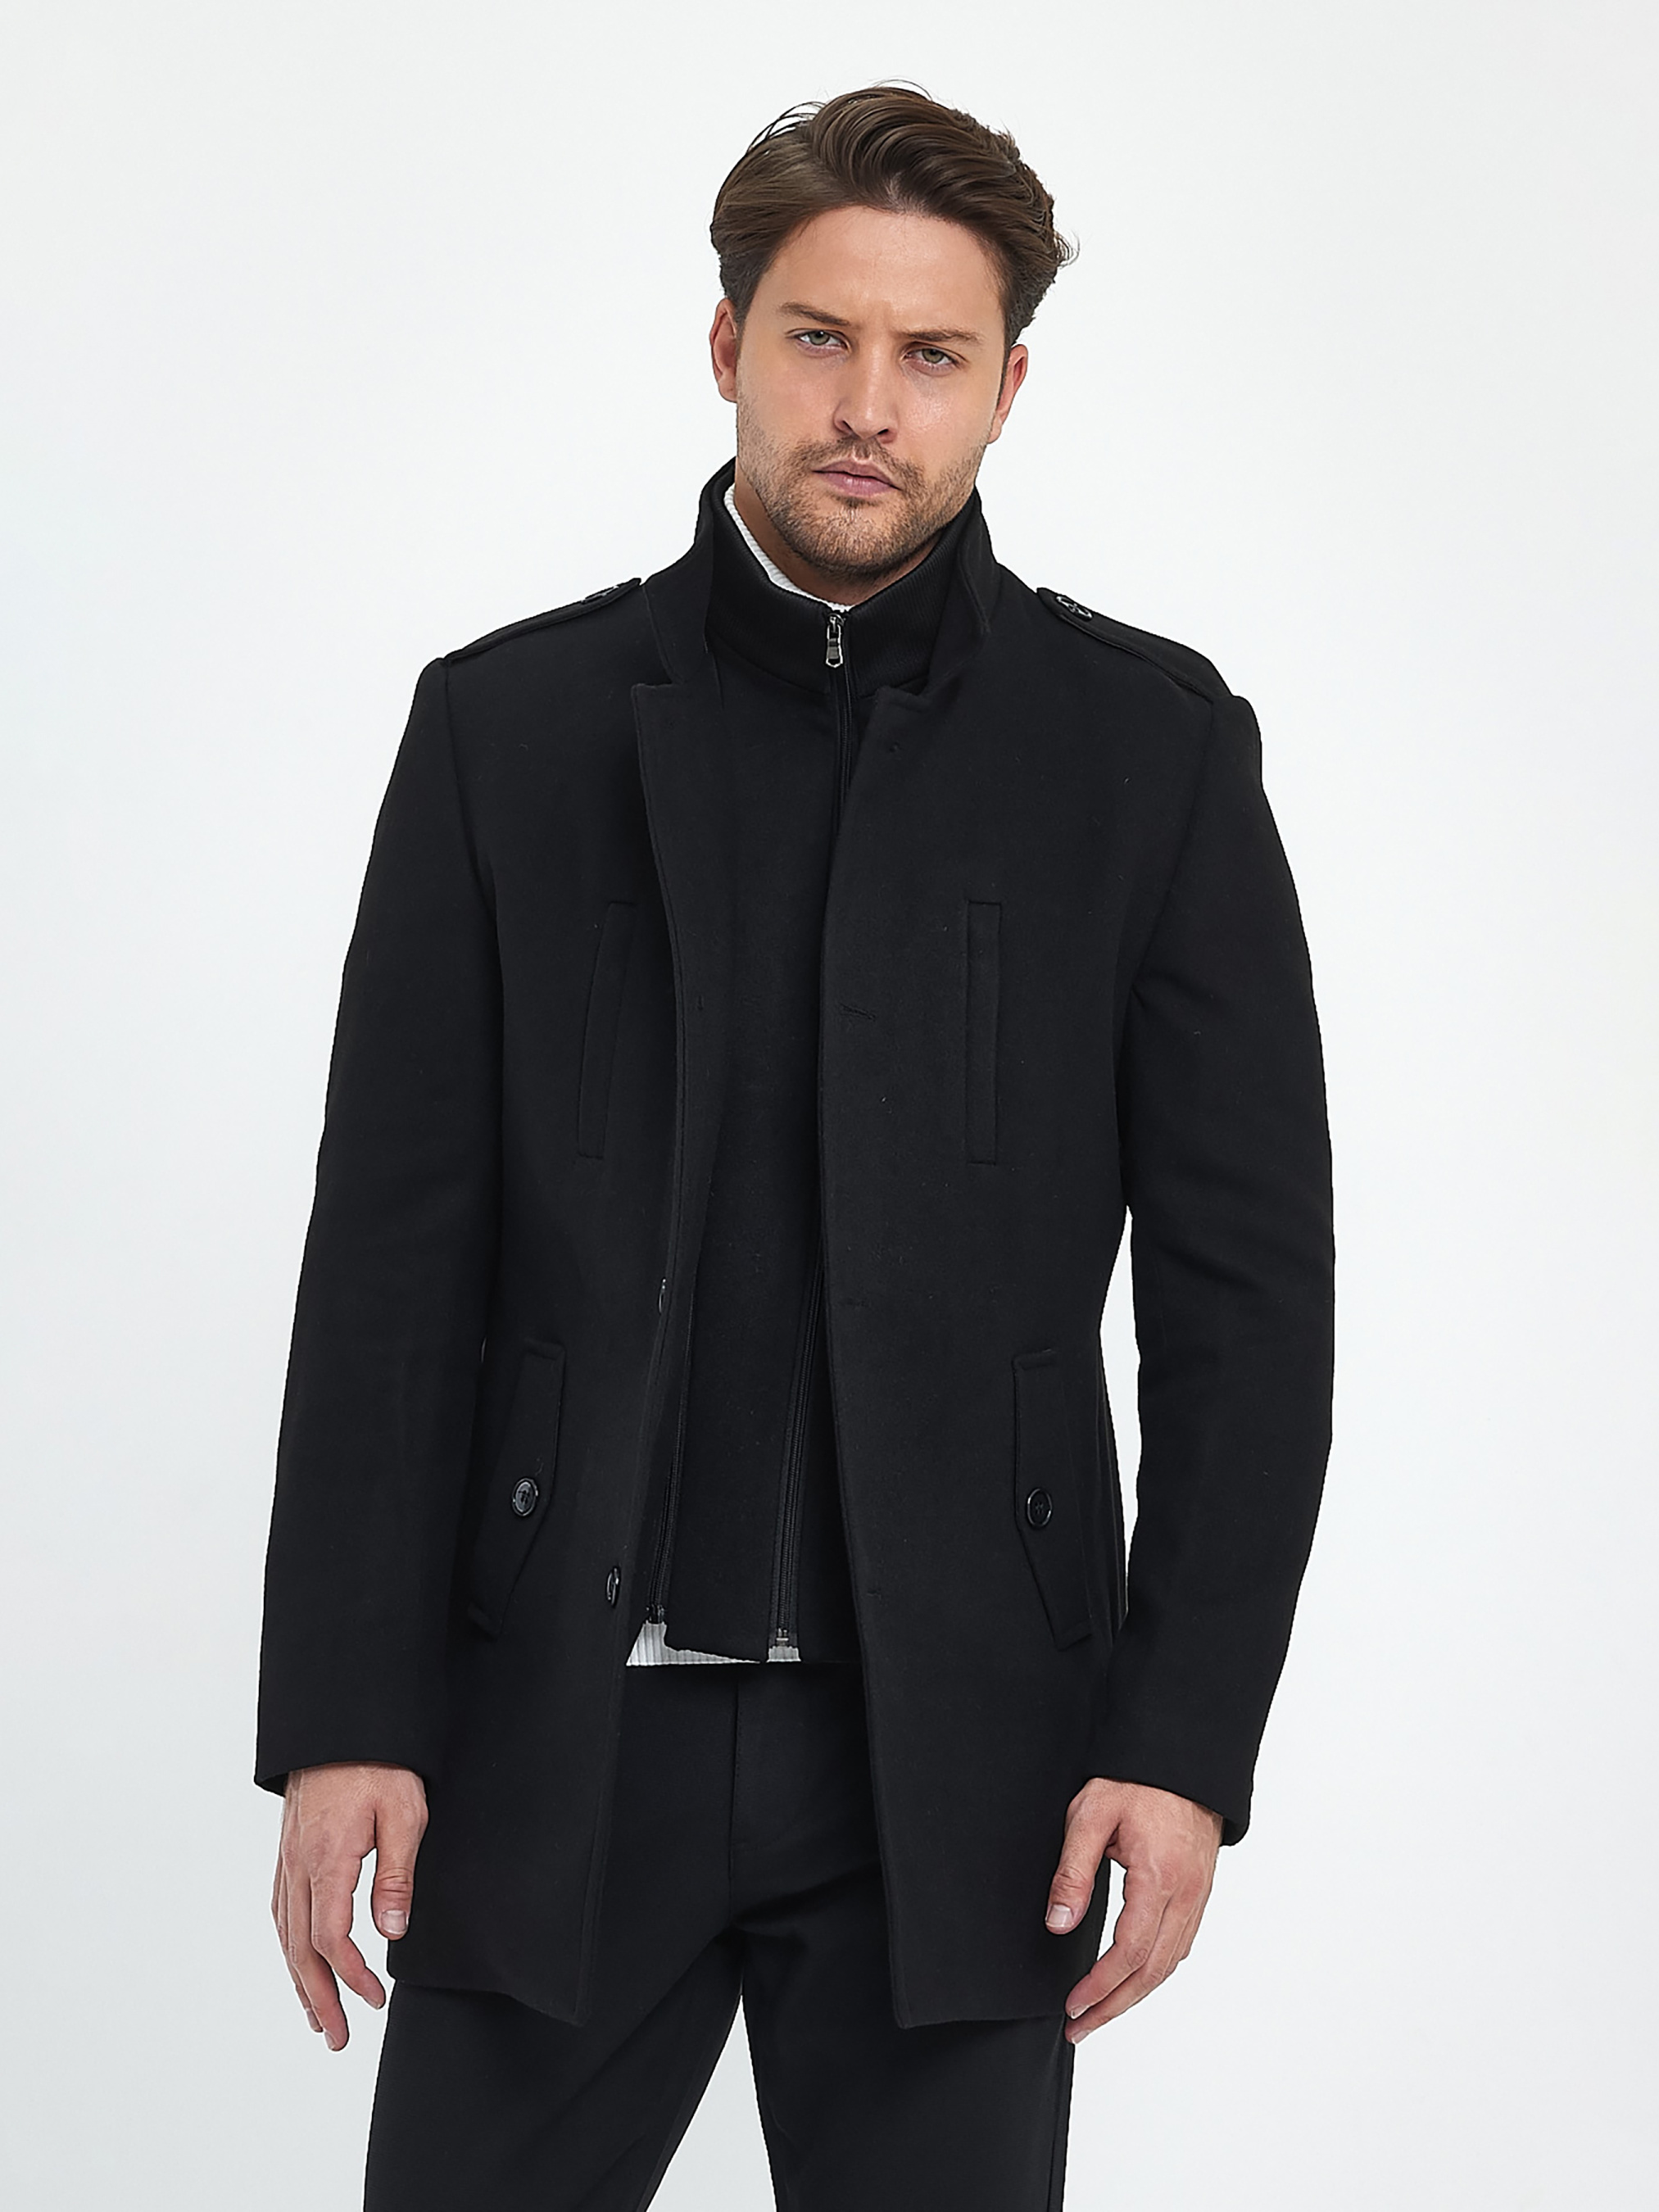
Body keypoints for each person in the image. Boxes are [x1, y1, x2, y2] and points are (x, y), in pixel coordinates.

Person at [256, 84, 1335, 2212]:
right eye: (818, 336)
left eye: (931, 353)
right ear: (727, 343)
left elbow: (1248, 1300)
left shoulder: (1149, 753)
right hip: (556, 1732)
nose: (867, 404)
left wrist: (1182, 1737)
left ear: (1006, 387)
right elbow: (389, 1260)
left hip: (969, 1759)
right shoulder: (506, 730)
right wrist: (342, 1711)